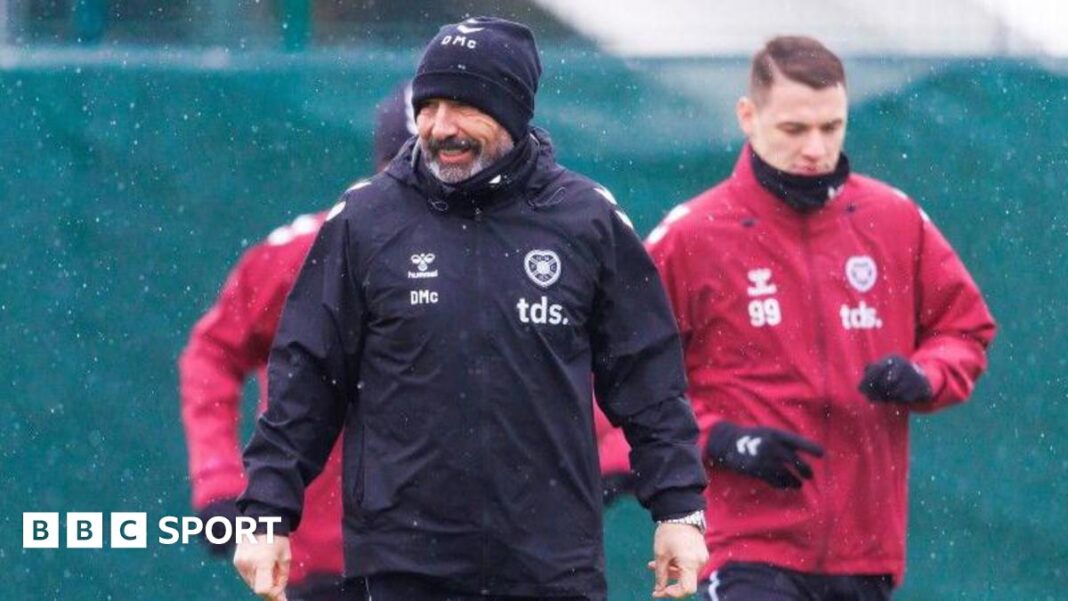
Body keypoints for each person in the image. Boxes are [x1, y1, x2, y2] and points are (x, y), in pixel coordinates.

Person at [231, 16, 708, 601]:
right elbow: (305, 379)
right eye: (428, 107)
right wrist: (264, 514)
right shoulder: (364, 220)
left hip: (551, 567)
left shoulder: (586, 220)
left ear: (513, 111)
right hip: (402, 566)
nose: (438, 127)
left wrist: (680, 512)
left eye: (462, 107)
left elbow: (648, 380)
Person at [645, 36, 997, 601]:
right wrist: (723, 439)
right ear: (748, 117)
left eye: (831, 127)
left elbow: (964, 329)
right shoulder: (693, 235)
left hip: (865, 549)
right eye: (794, 129)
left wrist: (924, 375)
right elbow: (623, 380)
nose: (815, 148)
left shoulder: (893, 218)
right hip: (744, 546)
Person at [178, 81, 416, 601]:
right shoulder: (304, 252)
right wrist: (219, 478)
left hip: (465, 554)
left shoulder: (500, 256)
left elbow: (565, 355)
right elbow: (213, 352)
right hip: (324, 556)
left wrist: (606, 453)